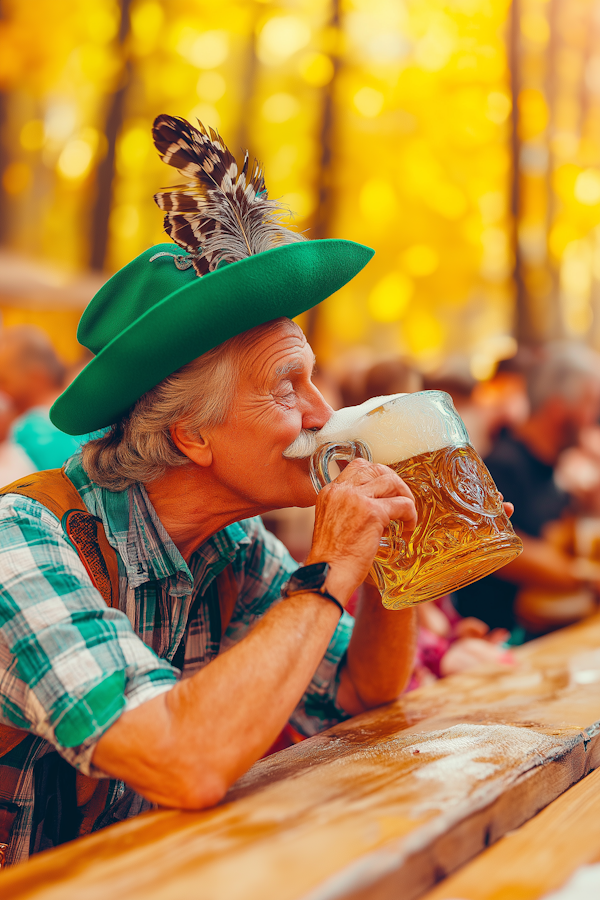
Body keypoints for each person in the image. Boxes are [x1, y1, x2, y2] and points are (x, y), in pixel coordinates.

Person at [0, 116, 421, 865]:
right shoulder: (19, 545)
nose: (324, 415)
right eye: (287, 386)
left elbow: (361, 695)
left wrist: (392, 562)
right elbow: (184, 759)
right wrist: (326, 574)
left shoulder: (230, 546)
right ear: (190, 435)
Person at [454, 341, 600, 634]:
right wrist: (580, 575)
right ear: (560, 408)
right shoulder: (501, 466)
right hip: (500, 639)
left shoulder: (552, 467)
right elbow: (494, 545)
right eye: (590, 405)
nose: (593, 419)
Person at [0, 325, 84, 469]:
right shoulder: (92, 419)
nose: (3, 391)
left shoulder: (28, 432)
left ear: (36, 378)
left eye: (4, 380)